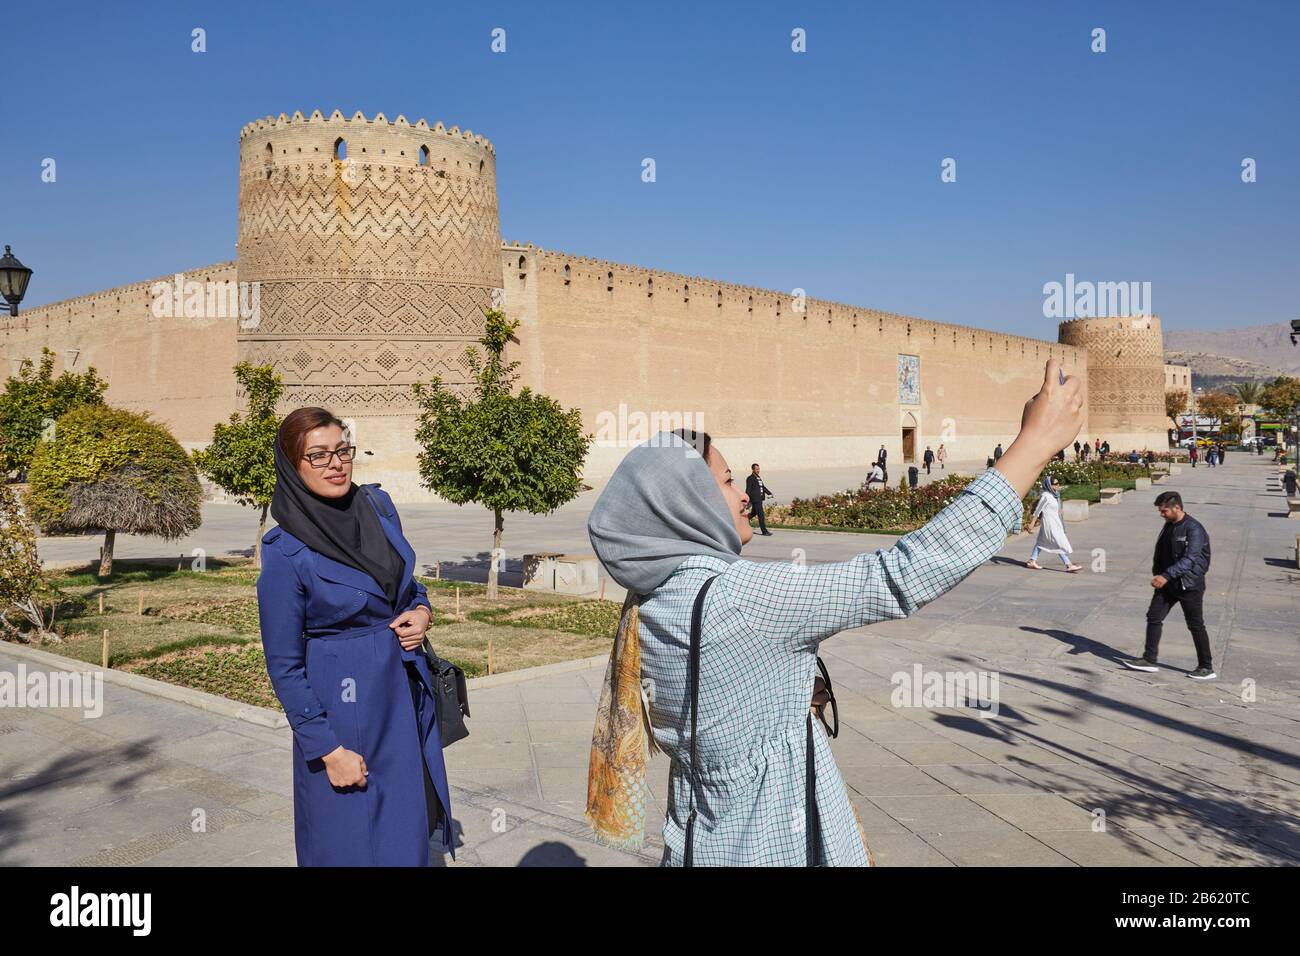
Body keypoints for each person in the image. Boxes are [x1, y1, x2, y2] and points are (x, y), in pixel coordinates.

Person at [582, 359, 1086, 865]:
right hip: (768, 848)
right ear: (685, 502)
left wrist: (788, 702)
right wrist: (1035, 444)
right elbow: (901, 574)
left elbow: (720, 718)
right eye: (730, 481)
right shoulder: (742, 599)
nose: (742, 497)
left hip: (699, 842)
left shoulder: (650, 603)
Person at [257, 407, 452, 866]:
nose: (336, 464)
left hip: (402, 700)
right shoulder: (285, 553)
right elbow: (283, 664)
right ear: (292, 465)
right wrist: (327, 749)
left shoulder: (378, 508)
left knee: (405, 836)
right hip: (342, 717)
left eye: (342, 450)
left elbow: (406, 582)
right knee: (349, 842)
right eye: (318, 455)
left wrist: (422, 610)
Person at [1118, 491, 1215, 681]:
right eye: (1160, 511)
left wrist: (1165, 575)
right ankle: (1149, 659)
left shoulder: (1194, 529)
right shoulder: (1169, 525)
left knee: (1195, 625)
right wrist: (1160, 572)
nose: (1161, 514)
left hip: (1189, 584)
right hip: (1168, 583)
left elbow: (1190, 559)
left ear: (1177, 508)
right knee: (1154, 616)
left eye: (1164, 511)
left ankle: (1206, 666)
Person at [1025, 476, 1081, 572]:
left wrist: (1059, 511)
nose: (1058, 485)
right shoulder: (1045, 496)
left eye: (1058, 483)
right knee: (1059, 542)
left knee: (1041, 542)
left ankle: (1032, 561)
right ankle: (1069, 564)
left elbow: (1052, 508)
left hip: (1055, 522)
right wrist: (1032, 524)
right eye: (1055, 484)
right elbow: (1038, 510)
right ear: (1049, 485)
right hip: (1049, 524)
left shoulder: (1055, 495)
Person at [745, 463, 774, 536]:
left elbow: (763, 487)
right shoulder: (750, 478)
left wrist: (769, 493)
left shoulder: (758, 477)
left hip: (760, 499)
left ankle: (744, 520)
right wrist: (747, 500)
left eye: (759, 469)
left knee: (753, 513)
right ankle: (764, 531)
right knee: (761, 515)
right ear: (753, 469)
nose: (758, 470)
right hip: (755, 499)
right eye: (756, 469)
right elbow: (748, 490)